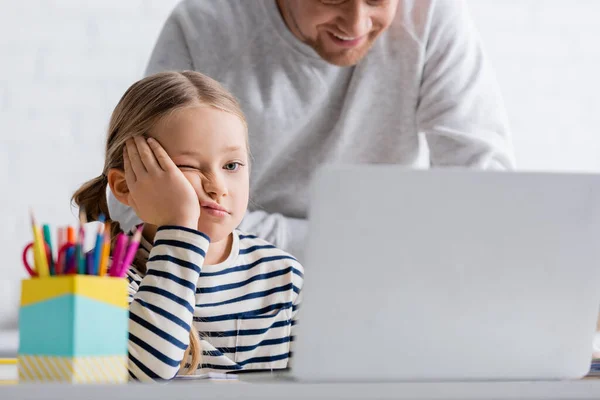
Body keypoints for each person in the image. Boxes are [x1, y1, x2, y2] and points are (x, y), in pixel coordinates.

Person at [108, 0, 515, 261]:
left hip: (380, 282)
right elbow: (141, 202)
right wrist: (367, 246)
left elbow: (483, 189)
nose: (356, 22)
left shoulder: (430, 16)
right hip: (233, 278)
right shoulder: (202, 25)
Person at [73, 71, 304, 381]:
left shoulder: (284, 276)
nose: (218, 186)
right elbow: (148, 368)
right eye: (188, 167)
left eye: (231, 165)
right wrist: (181, 227)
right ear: (125, 186)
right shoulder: (106, 278)